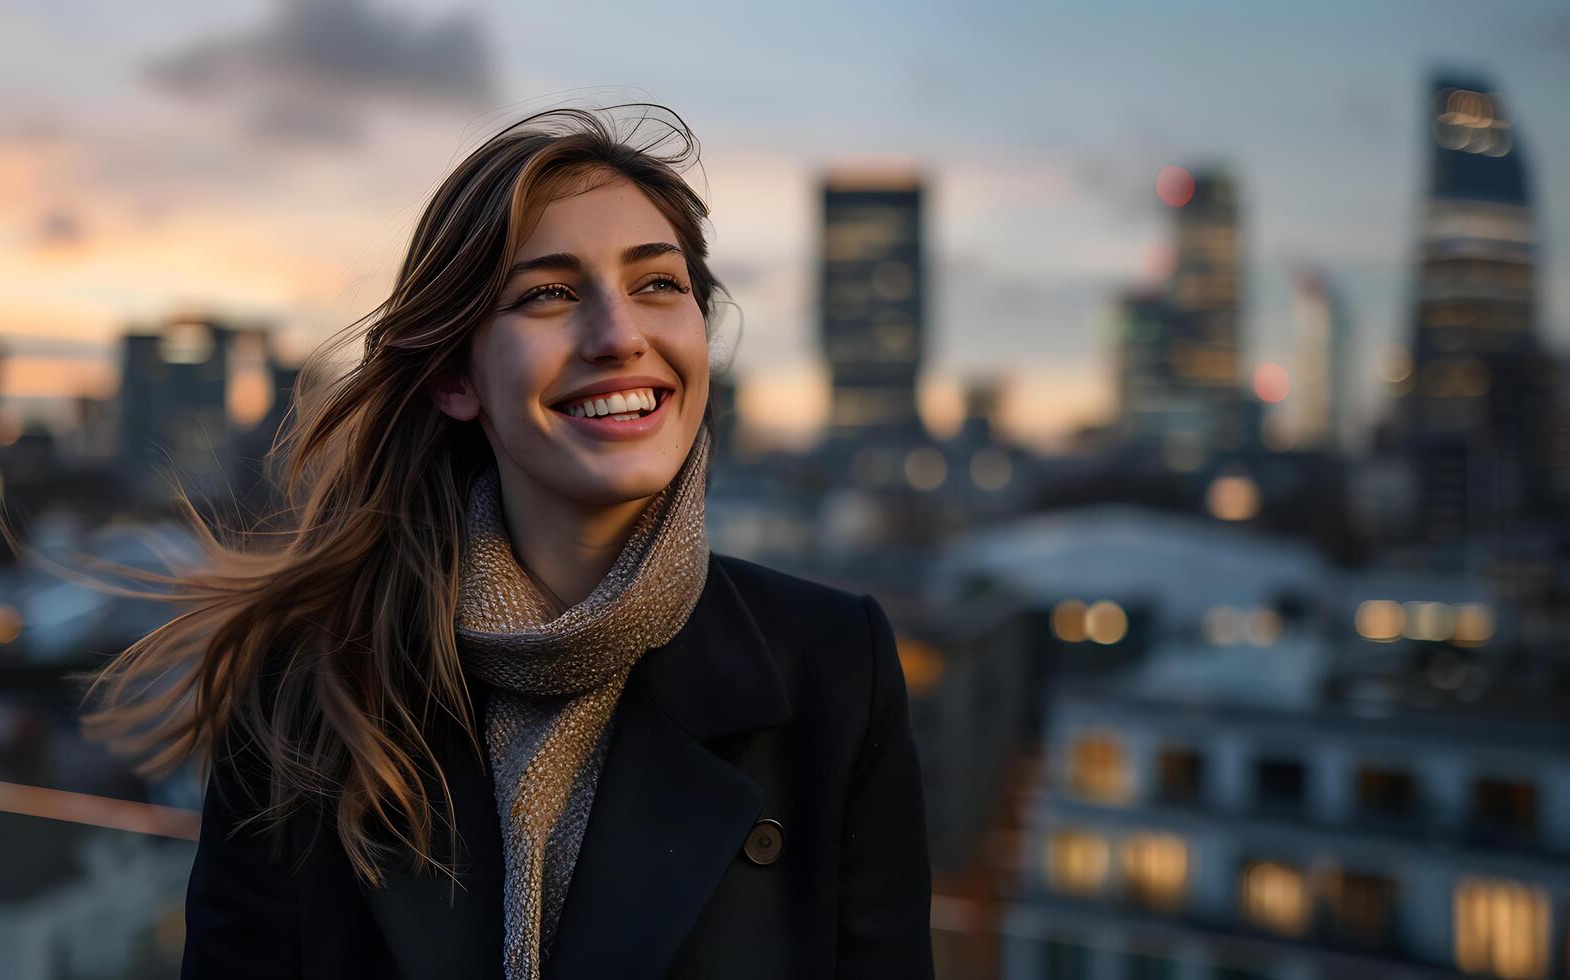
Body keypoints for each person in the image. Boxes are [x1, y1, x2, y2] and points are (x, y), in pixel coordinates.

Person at [78, 104, 933, 979]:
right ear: (455, 376)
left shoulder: (833, 668)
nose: (618, 335)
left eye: (658, 285)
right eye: (549, 295)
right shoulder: (310, 687)